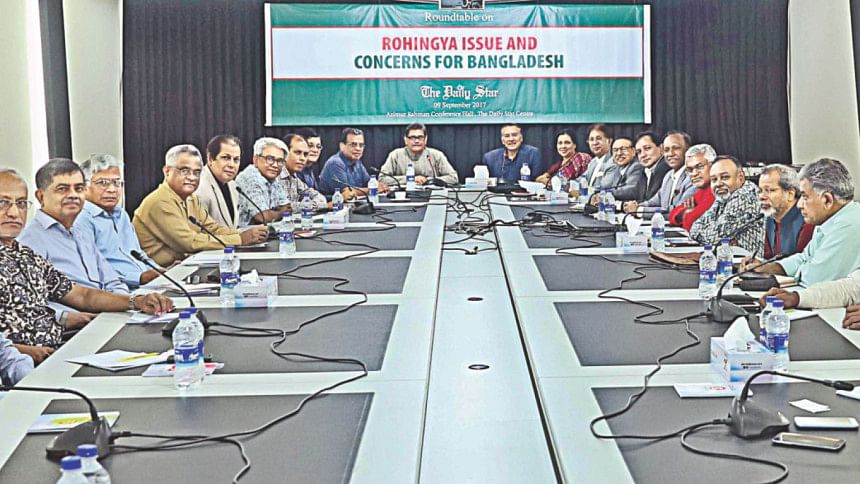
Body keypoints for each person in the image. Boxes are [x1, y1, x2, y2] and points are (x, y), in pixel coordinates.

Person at [0, 167, 173, 364]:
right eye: (3, 203)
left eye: (21, 203)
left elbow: (82, 295)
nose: (14, 212)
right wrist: (23, 352)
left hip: (63, 344)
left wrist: (137, 301)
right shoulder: (32, 239)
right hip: (27, 361)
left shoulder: (25, 254)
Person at [18, 159, 129, 323]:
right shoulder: (30, 240)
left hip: (107, 316)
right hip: (73, 327)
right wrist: (66, 318)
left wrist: (126, 304)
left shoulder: (81, 232)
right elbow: (30, 304)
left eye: (79, 188)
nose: (73, 195)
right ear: (41, 197)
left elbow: (112, 281)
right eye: (62, 189)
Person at [133, 144, 268, 267]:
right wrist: (239, 239)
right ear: (167, 171)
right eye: (184, 171)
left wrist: (245, 234)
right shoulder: (160, 201)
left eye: (197, 172)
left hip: (182, 266)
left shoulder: (191, 198)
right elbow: (189, 243)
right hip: (158, 274)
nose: (192, 177)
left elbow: (212, 228)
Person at [743, 158, 860, 286]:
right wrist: (770, 267)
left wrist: (796, 273)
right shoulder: (828, 220)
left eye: (805, 197)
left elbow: (814, 279)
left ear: (827, 200)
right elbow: (805, 257)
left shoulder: (848, 225)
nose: (799, 205)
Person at [75, 154, 161, 289]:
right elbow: (94, 270)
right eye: (103, 183)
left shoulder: (121, 214)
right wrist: (138, 278)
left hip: (146, 285)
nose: (112, 189)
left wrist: (162, 271)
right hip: (119, 291)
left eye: (117, 183)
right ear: (84, 187)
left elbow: (138, 254)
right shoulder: (81, 219)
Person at [689, 156, 763, 255]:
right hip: (729, 259)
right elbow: (694, 229)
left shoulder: (745, 196)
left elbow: (711, 239)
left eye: (725, 177)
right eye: (714, 179)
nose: (718, 184)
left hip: (747, 262)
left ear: (740, 178)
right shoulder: (723, 195)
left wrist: (707, 230)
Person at [623, 130, 696, 215]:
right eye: (666, 150)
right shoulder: (669, 175)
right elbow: (654, 201)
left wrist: (640, 210)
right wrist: (635, 206)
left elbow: (678, 211)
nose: (670, 154)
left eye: (676, 148)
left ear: (688, 150)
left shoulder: (693, 176)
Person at [757, 164, 814, 259]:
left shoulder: (808, 220)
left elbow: (802, 262)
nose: (761, 196)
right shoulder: (769, 218)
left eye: (769, 190)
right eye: (759, 191)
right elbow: (769, 258)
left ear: (790, 194)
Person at [380, 122, 459, 186]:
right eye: (412, 138)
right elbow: (382, 179)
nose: (416, 141)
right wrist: (410, 179)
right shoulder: (395, 155)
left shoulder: (436, 155)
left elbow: (453, 178)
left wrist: (430, 180)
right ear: (405, 140)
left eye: (420, 137)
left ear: (425, 139)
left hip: (433, 196)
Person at [235, 137, 291, 225]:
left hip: (268, 229)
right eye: (270, 159)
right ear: (256, 160)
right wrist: (280, 212)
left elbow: (287, 207)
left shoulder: (272, 179)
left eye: (280, 161)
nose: (275, 165)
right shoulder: (249, 177)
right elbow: (262, 217)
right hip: (247, 231)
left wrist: (274, 213)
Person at [319, 127, 388, 200]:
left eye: (361, 145)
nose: (358, 148)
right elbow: (348, 192)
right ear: (342, 146)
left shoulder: (357, 162)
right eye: (353, 145)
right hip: (332, 205)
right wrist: (375, 189)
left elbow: (368, 182)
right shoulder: (335, 163)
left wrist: (381, 186)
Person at [195, 134, 241, 229]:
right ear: (210, 159)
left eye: (236, 160)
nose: (232, 165)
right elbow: (198, 232)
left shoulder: (233, 186)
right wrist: (240, 236)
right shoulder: (198, 187)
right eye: (226, 158)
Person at [668, 144, 715, 231]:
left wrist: (685, 214)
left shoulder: (715, 189)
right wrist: (687, 212)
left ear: (713, 166)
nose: (694, 173)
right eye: (690, 170)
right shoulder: (701, 190)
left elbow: (693, 223)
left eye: (700, 167)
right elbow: (672, 215)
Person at [279, 133, 327, 209]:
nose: (302, 158)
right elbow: (283, 208)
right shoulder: (275, 175)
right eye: (298, 153)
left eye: (305, 154)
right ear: (284, 153)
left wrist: (308, 205)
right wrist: (313, 205)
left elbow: (320, 198)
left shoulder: (294, 178)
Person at [592, 136, 645, 201]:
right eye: (615, 150)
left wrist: (602, 193)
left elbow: (630, 191)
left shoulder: (636, 166)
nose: (619, 153)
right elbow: (607, 186)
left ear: (634, 151)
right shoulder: (618, 168)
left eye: (623, 149)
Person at [635, 131, 670, 201]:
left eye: (647, 148)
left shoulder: (667, 168)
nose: (643, 155)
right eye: (639, 152)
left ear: (661, 148)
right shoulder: (643, 172)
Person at [582, 124, 613, 189]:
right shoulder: (592, 162)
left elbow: (605, 188)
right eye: (591, 139)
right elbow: (582, 180)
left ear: (609, 141)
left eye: (598, 138)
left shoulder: (613, 162)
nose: (595, 143)